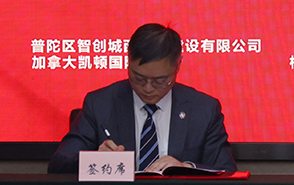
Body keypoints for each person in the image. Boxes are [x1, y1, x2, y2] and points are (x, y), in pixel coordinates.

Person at [48, 23, 237, 173]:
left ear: (178, 65)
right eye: (138, 78)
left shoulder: (203, 109)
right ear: (128, 62)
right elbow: (59, 164)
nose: (147, 88)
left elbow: (226, 171)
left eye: (160, 81)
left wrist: (186, 168)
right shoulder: (100, 104)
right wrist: (95, 159)